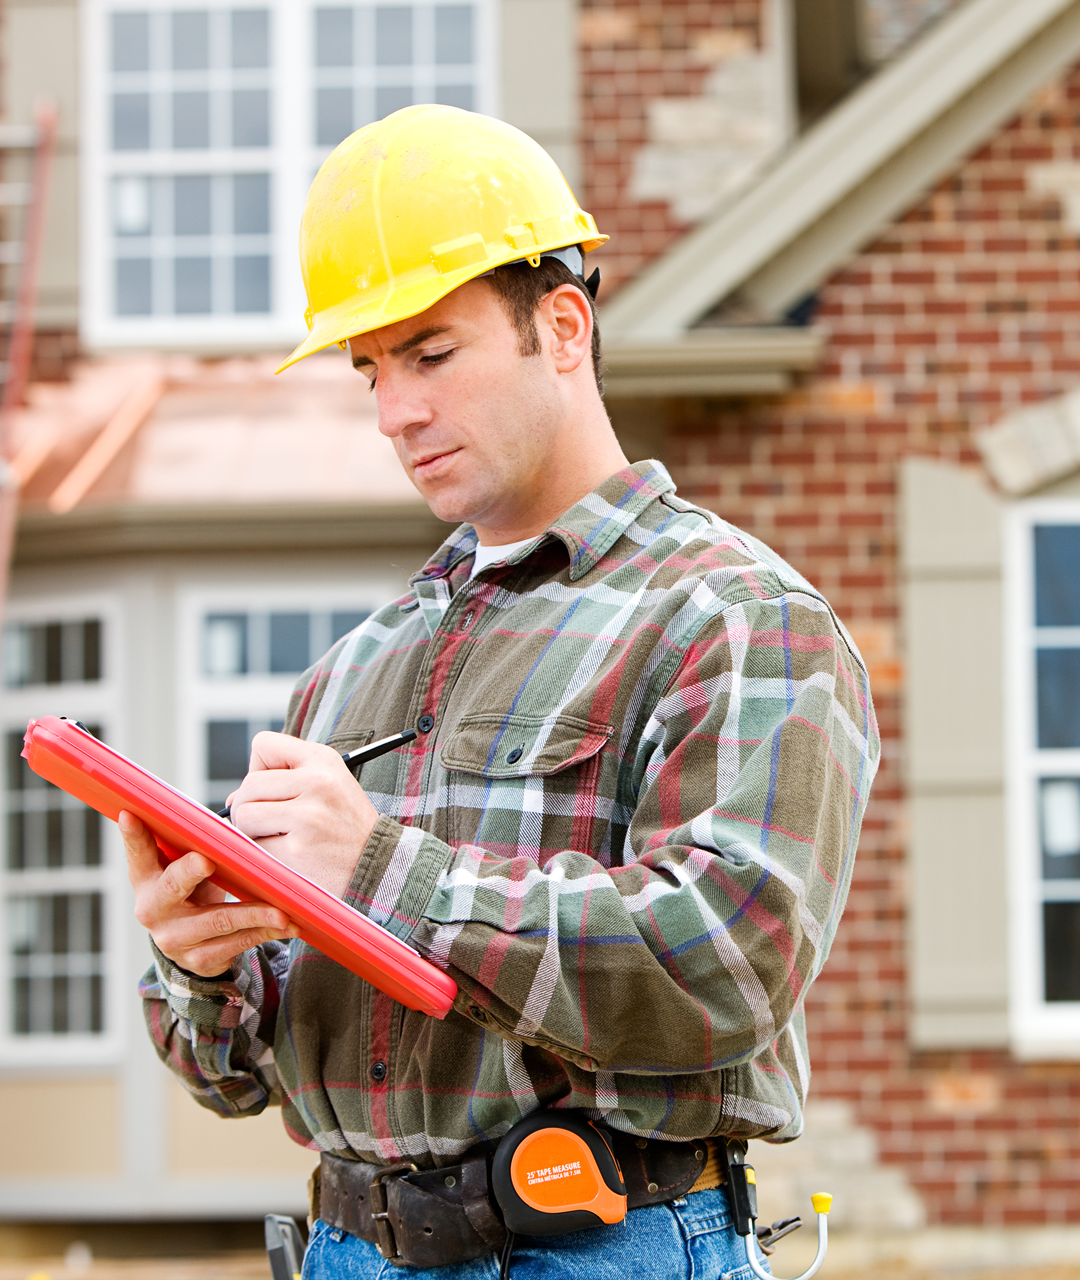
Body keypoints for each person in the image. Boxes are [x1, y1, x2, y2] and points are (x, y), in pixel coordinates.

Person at [120, 104, 879, 1280]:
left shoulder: (735, 616)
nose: (395, 411)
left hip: (601, 1241)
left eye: (431, 353)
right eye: (370, 367)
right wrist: (204, 963)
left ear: (562, 327)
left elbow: (727, 958)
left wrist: (380, 868)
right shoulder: (351, 671)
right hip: (347, 1249)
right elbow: (238, 1073)